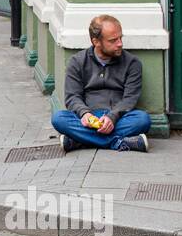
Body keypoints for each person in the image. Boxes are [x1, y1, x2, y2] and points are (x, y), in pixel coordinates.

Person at [52, 14, 151, 152]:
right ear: (96, 42)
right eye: (113, 40)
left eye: (120, 38)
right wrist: (85, 113)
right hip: (89, 118)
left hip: (118, 118)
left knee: (143, 120)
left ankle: (80, 141)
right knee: (59, 118)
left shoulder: (132, 63)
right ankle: (117, 142)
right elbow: (72, 97)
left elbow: (130, 99)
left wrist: (112, 117)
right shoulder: (77, 62)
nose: (120, 44)